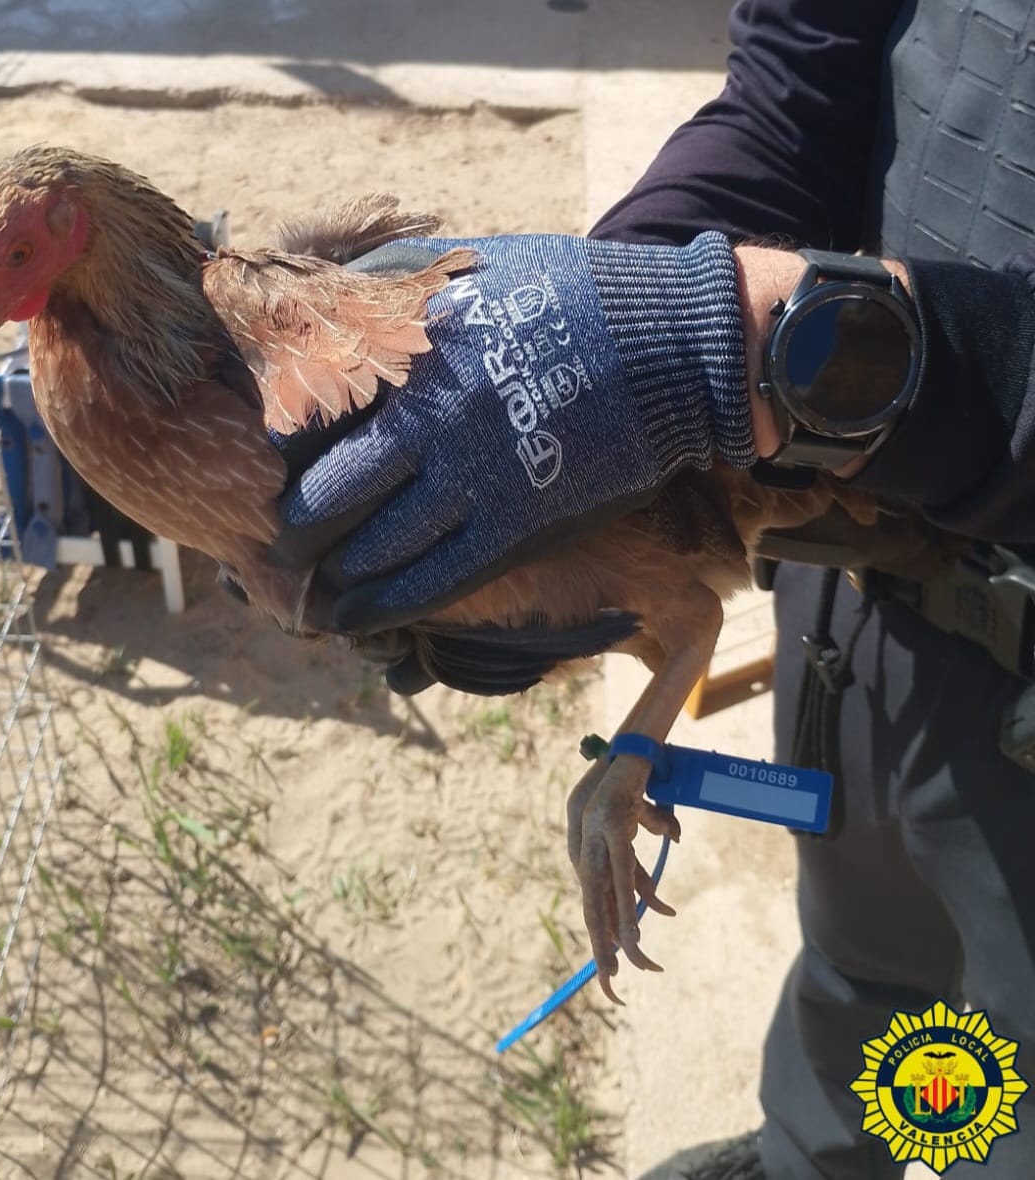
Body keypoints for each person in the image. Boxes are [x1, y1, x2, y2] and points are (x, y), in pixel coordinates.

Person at [271, 2, 1035, 1176]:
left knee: (1008, 1108)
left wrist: (735, 333)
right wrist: (610, 307)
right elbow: (794, 100)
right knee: (872, 990)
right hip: (872, 614)